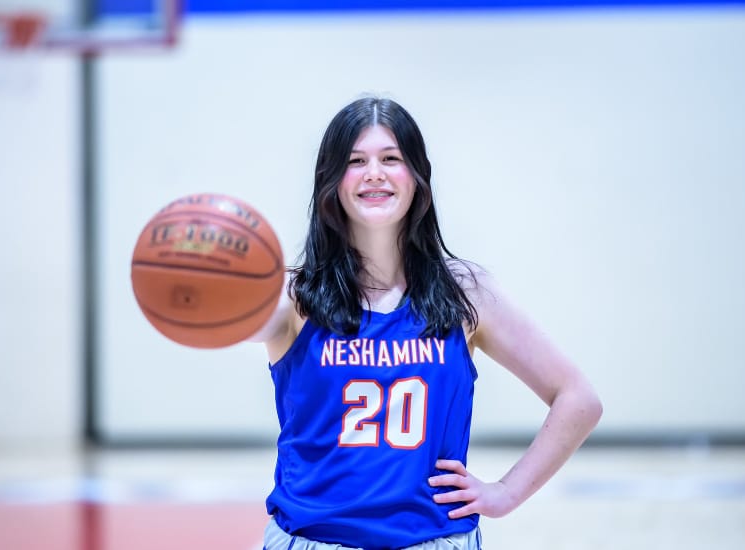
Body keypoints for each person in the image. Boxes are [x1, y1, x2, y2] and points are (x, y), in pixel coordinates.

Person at [249, 96, 602, 550]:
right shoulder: (293, 297)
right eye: (356, 161)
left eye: (390, 159)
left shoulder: (466, 292)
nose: (374, 173)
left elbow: (579, 399)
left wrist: (506, 493)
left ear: (417, 177)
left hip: (432, 539)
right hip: (312, 539)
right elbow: (218, 323)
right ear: (331, 181)